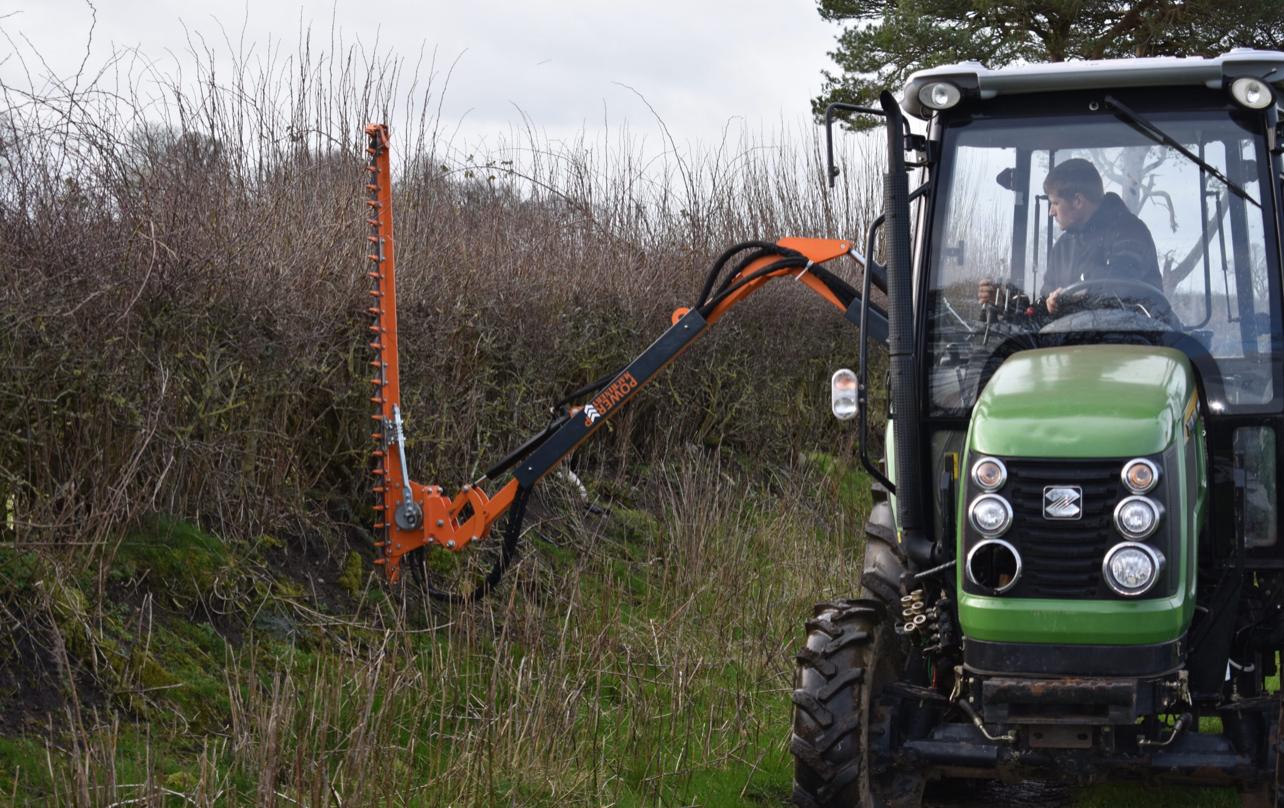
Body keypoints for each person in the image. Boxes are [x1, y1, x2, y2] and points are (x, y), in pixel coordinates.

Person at [978, 158, 1161, 316]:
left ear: (1078, 201)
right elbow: (1044, 310)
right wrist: (1006, 304)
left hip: (1133, 347)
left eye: (1055, 203)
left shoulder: (1130, 233)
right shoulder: (1064, 248)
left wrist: (1077, 293)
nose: (1051, 212)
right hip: (1071, 348)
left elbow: (1122, 288)